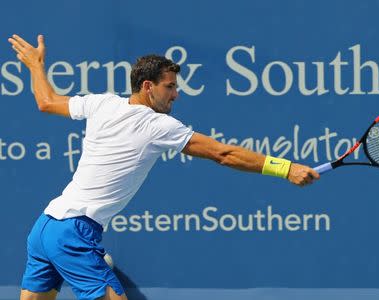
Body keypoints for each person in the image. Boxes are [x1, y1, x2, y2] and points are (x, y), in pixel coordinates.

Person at [8, 34, 320, 300]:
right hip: (73, 233)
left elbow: (46, 101)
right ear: (148, 86)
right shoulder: (157, 125)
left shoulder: (102, 103)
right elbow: (222, 154)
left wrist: (36, 66)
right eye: (170, 87)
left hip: (45, 227)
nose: (176, 94)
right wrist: (285, 168)